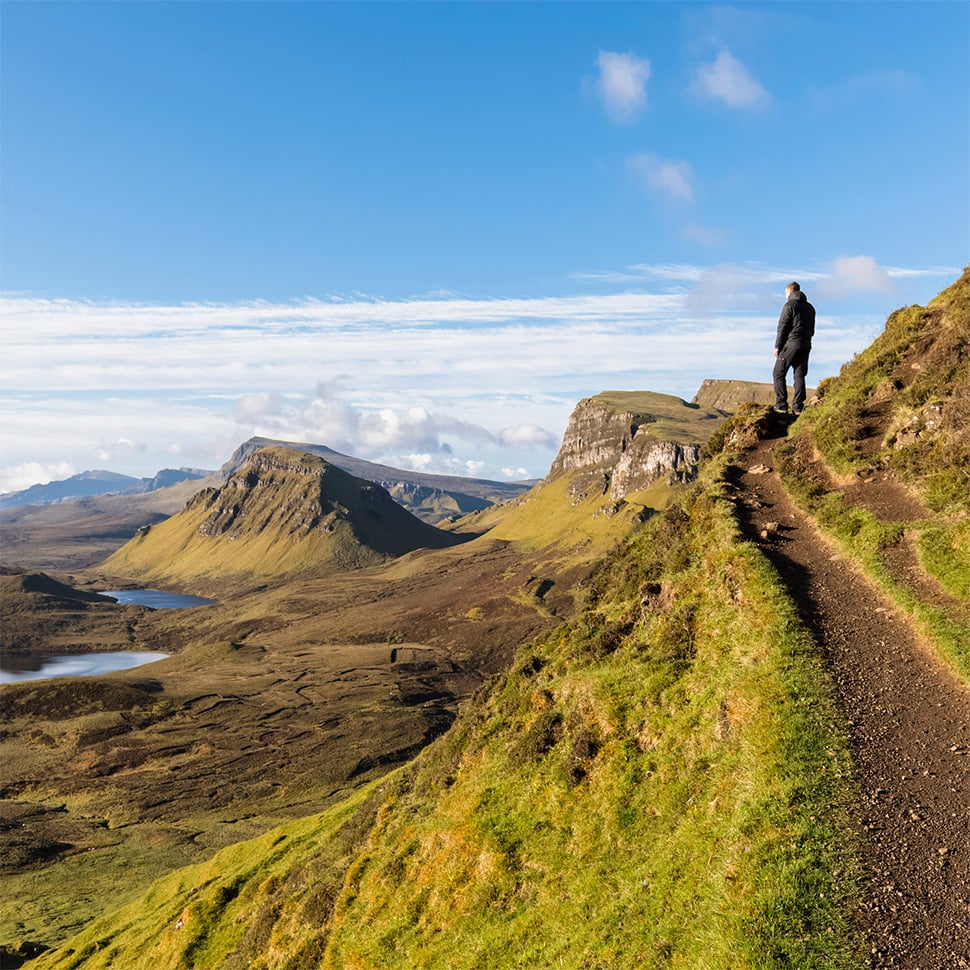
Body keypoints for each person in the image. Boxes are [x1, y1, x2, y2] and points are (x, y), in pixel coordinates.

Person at [773, 280, 816, 417]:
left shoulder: (789, 305)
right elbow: (812, 329)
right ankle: (798, 407)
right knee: (799, 375)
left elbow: (782, 328)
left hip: (791, 344)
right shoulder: (810, 308)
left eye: (785, 293)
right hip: (806, 344)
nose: (785, 295)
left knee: (778, 373)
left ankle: (781, 406)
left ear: (790, 291)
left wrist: (778, 346)